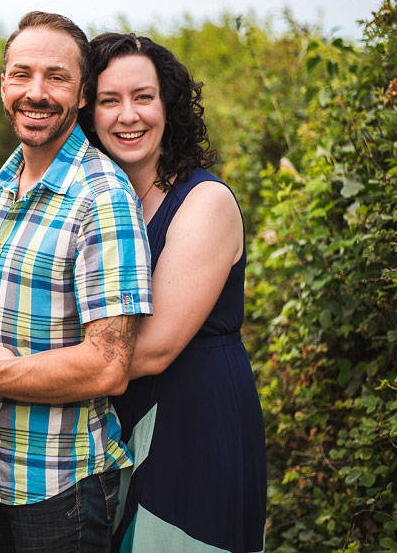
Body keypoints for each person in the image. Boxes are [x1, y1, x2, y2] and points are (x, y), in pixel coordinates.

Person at [0, 12, 153, 552]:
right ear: (3, 83)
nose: (36, 92)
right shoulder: (0, 185)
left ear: (83, 93)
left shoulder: (103, 198)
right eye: (21, 74)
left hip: (56, 489)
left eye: (57, 77)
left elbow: (108, 364)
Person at [79, 32, 267, 552]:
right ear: (87, 112)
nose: (128, 115)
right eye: (109, 100)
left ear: (170, 106)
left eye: (144, 97)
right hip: (114, 412)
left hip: (195, 415)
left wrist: (11, 375)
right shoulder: (96, 201)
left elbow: (156, 348)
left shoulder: (204, 202)